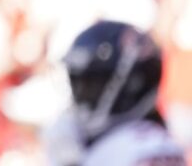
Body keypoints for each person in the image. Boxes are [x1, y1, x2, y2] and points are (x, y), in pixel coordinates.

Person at [44, 20, 187, 166]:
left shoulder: (149, 147)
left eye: (92, 84)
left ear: (133, 85)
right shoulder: (108, 143)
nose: (81, 94)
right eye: (77, 83)